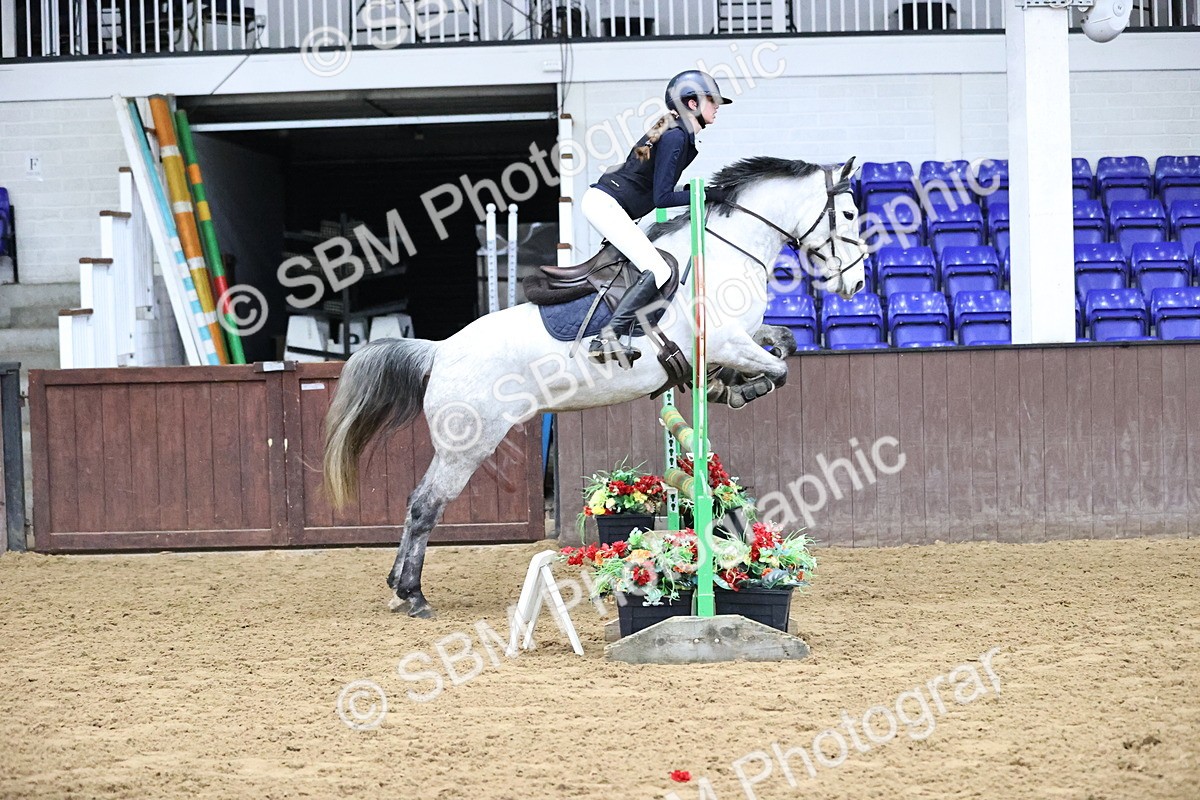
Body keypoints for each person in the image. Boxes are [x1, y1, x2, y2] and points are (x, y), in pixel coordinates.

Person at [582, 70, 733, 365]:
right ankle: (607, 337)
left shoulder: (669, 127)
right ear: (692, 104)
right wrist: (705, 195)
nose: (717, 107)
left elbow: (648, 180)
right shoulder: (675, 136)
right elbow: (661, 199)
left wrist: (693, 190)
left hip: (608, 204)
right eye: (711, 101)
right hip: (607, 205)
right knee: (659, 270)